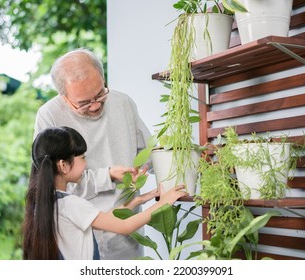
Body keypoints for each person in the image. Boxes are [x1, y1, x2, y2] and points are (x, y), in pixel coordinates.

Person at [33, 48, 152, 259]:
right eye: (84, 103)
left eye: (100, 94)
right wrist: (106, 176)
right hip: (80, 238)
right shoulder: (49, 116)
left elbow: (149, 154)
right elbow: (54, 181)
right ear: (64, 97)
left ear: (103, 78)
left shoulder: (123, 103)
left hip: (127, 238)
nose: (96, 105)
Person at [23, 126, 187, 260]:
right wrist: (164, 202)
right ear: (63, 165)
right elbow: (124, 226)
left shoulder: (45, 204)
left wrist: (140, 200)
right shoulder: (71, 204)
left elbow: (105, 219)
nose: (86, 164)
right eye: (82, 158)